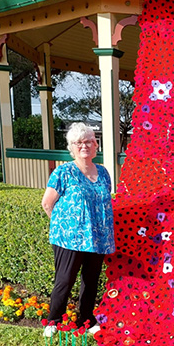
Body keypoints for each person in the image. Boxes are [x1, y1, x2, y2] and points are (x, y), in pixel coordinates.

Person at [41, 122, 115, 332]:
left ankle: (86, 320)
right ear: (72, 147)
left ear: (96, 145)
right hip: (69, 239)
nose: (84, 146)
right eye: (79, 142)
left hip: (97, 237)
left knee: (91, 281)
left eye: (89, 141)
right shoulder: (63, 172)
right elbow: (47, 203)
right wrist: (65, 227)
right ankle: (53, 321)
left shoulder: (103, 172)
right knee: (65, 280)